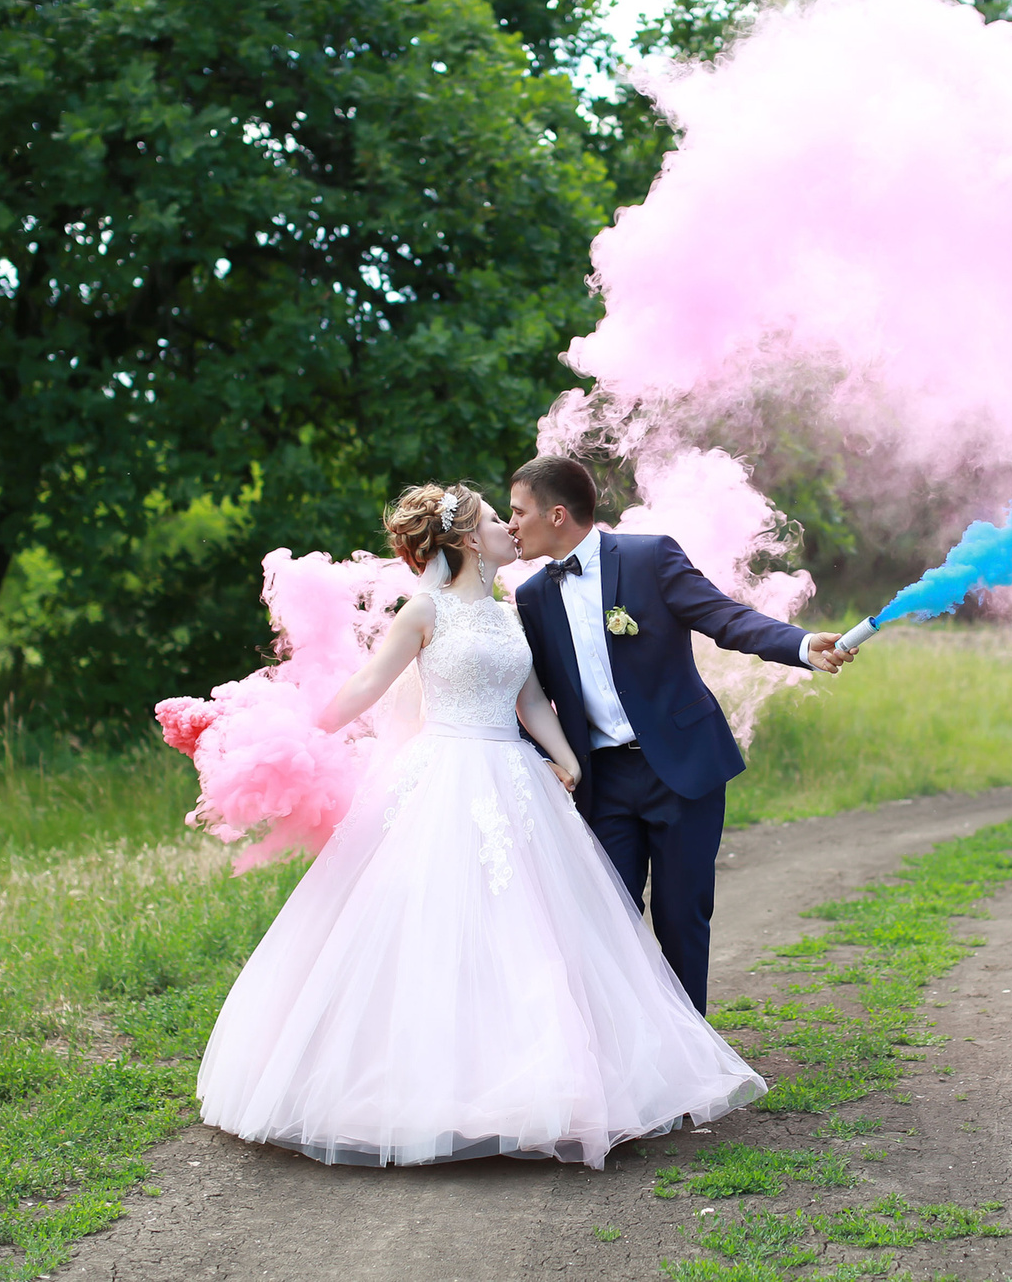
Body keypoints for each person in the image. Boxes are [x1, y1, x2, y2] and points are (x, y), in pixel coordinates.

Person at [194, 483, 766, 1167]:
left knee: (537, 930)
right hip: (444, 776)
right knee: (437, 925)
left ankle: (545, 1075)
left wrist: (565, 759)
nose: (508, 529)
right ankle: (425, 1085)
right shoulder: (424, 610)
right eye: (498, 521)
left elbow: (528, 696)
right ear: (468, 539)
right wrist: (292, 735)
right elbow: (366, 687)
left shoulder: (508, 611)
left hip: (515, 776)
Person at [505, 456, 856, 1014]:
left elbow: (725, 618)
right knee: (606, 920)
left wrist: (800, 644)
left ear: (556, 514)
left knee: (681, 917)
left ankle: (694, 1068)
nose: (510, 526)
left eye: (518, 512)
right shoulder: (530, 597)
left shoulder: (650, 557)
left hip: (682, 770)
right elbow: (531, 696)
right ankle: (631, 1064)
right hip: (601, 782)